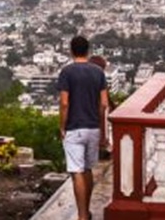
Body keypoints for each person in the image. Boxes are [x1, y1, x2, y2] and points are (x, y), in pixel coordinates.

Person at [59, 36, 109, 220]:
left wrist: (62, 126)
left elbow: (65, 103)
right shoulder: (98, 72)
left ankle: (81, 216)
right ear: (88, 51)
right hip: (93, 127)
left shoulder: (67, 72)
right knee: (87, 169)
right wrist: (98, 123)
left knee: (77, 171)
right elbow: (104, 103)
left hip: (74, 127)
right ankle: (86, 210)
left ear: (71, 50)